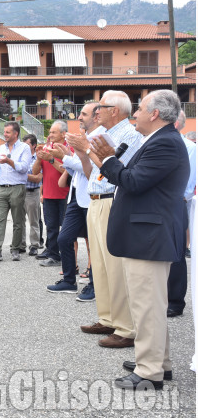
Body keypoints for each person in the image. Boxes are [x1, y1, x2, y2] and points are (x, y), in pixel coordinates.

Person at [90, 89, 189, 390]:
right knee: (149, 305)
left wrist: (108, 160)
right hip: (147, 234)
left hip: (150, 236)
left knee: (147, 305)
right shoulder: (159, 141)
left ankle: (149, 372)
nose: (135, 113)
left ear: (155, 114)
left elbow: (133, 181)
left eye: (141, 108)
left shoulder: (166, 144)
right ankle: (159, 362)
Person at [66, 90, 142, 349]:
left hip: (112, 200)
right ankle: (108, 317)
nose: (96, 111)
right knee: (99, 264)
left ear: (116, 110)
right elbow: (92, 172)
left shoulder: (130, 135)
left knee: (114, 265)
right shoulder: (103, 135)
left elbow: (117, 170)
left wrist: (86, 147)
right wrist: (84, 153)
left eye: (101, 107)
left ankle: (125, 327)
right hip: (96, 200)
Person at [46, 103, 102, 299]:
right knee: (64, 238)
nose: (79, 117)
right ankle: (69, 281)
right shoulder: (84, 138)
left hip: (92, 196)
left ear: (96, 116)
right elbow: (77, 166)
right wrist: (66, 156)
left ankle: (95, 286)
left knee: (94, 244)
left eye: (83, 114)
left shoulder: (100, 137)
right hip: (76, 197)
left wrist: (64, 158)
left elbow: (94, 167)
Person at [0, 122, 32, 262]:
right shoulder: (0, 147)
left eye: (7, 132)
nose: (4, 134)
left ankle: (15, 249)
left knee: (18, 220)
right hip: (0, 188)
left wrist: (9, 161)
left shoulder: (25, 148)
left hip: (17, 188)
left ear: (15, 134)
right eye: (4, 132)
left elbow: (24, 168)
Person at [166, 110, 196, 317]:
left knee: (176, 253)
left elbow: (189, 180)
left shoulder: (190, 147)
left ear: (175, 123)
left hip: (176, 204)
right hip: (162, 204)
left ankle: (175, 302)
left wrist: (177, 199)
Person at [33, 121, 71, 266]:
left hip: (64, 194)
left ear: (63, 134)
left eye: (53, 132)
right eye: (50, 132)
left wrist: (51, 159)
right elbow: (36, 172)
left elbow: (67, 171)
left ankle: (65, 255)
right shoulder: (47, 149)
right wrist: (38, 158)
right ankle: (53, 253)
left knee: (65, 227)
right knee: (51, 226)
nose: (50, 135)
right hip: (49, 194)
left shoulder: (68, 150)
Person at [21, 134, 42, 256]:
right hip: (20, 191)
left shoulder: (38, 159)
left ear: (34, 145)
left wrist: (22, 174)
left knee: (33, 221)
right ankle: (21, 244)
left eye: (27, 144)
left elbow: (38, 178)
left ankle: (34, 245)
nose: (24, 147)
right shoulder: (21, 157)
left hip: (32, 192)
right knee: (19, 220)